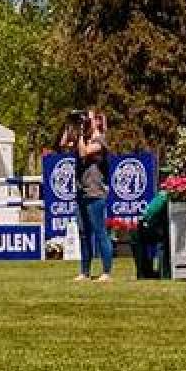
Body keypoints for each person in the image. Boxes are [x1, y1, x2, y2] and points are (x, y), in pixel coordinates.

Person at [59, 109, 113, 282]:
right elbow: (62, 145)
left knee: (99, 232)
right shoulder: (82, 139)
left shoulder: (100, 141)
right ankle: (85, 272)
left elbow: (83, 152)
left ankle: (106, 272)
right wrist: (69, 125)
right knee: (83, 233)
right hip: (82, 191)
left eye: (90, 121)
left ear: (97, 122)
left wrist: (82, 132)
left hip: (96, 192)